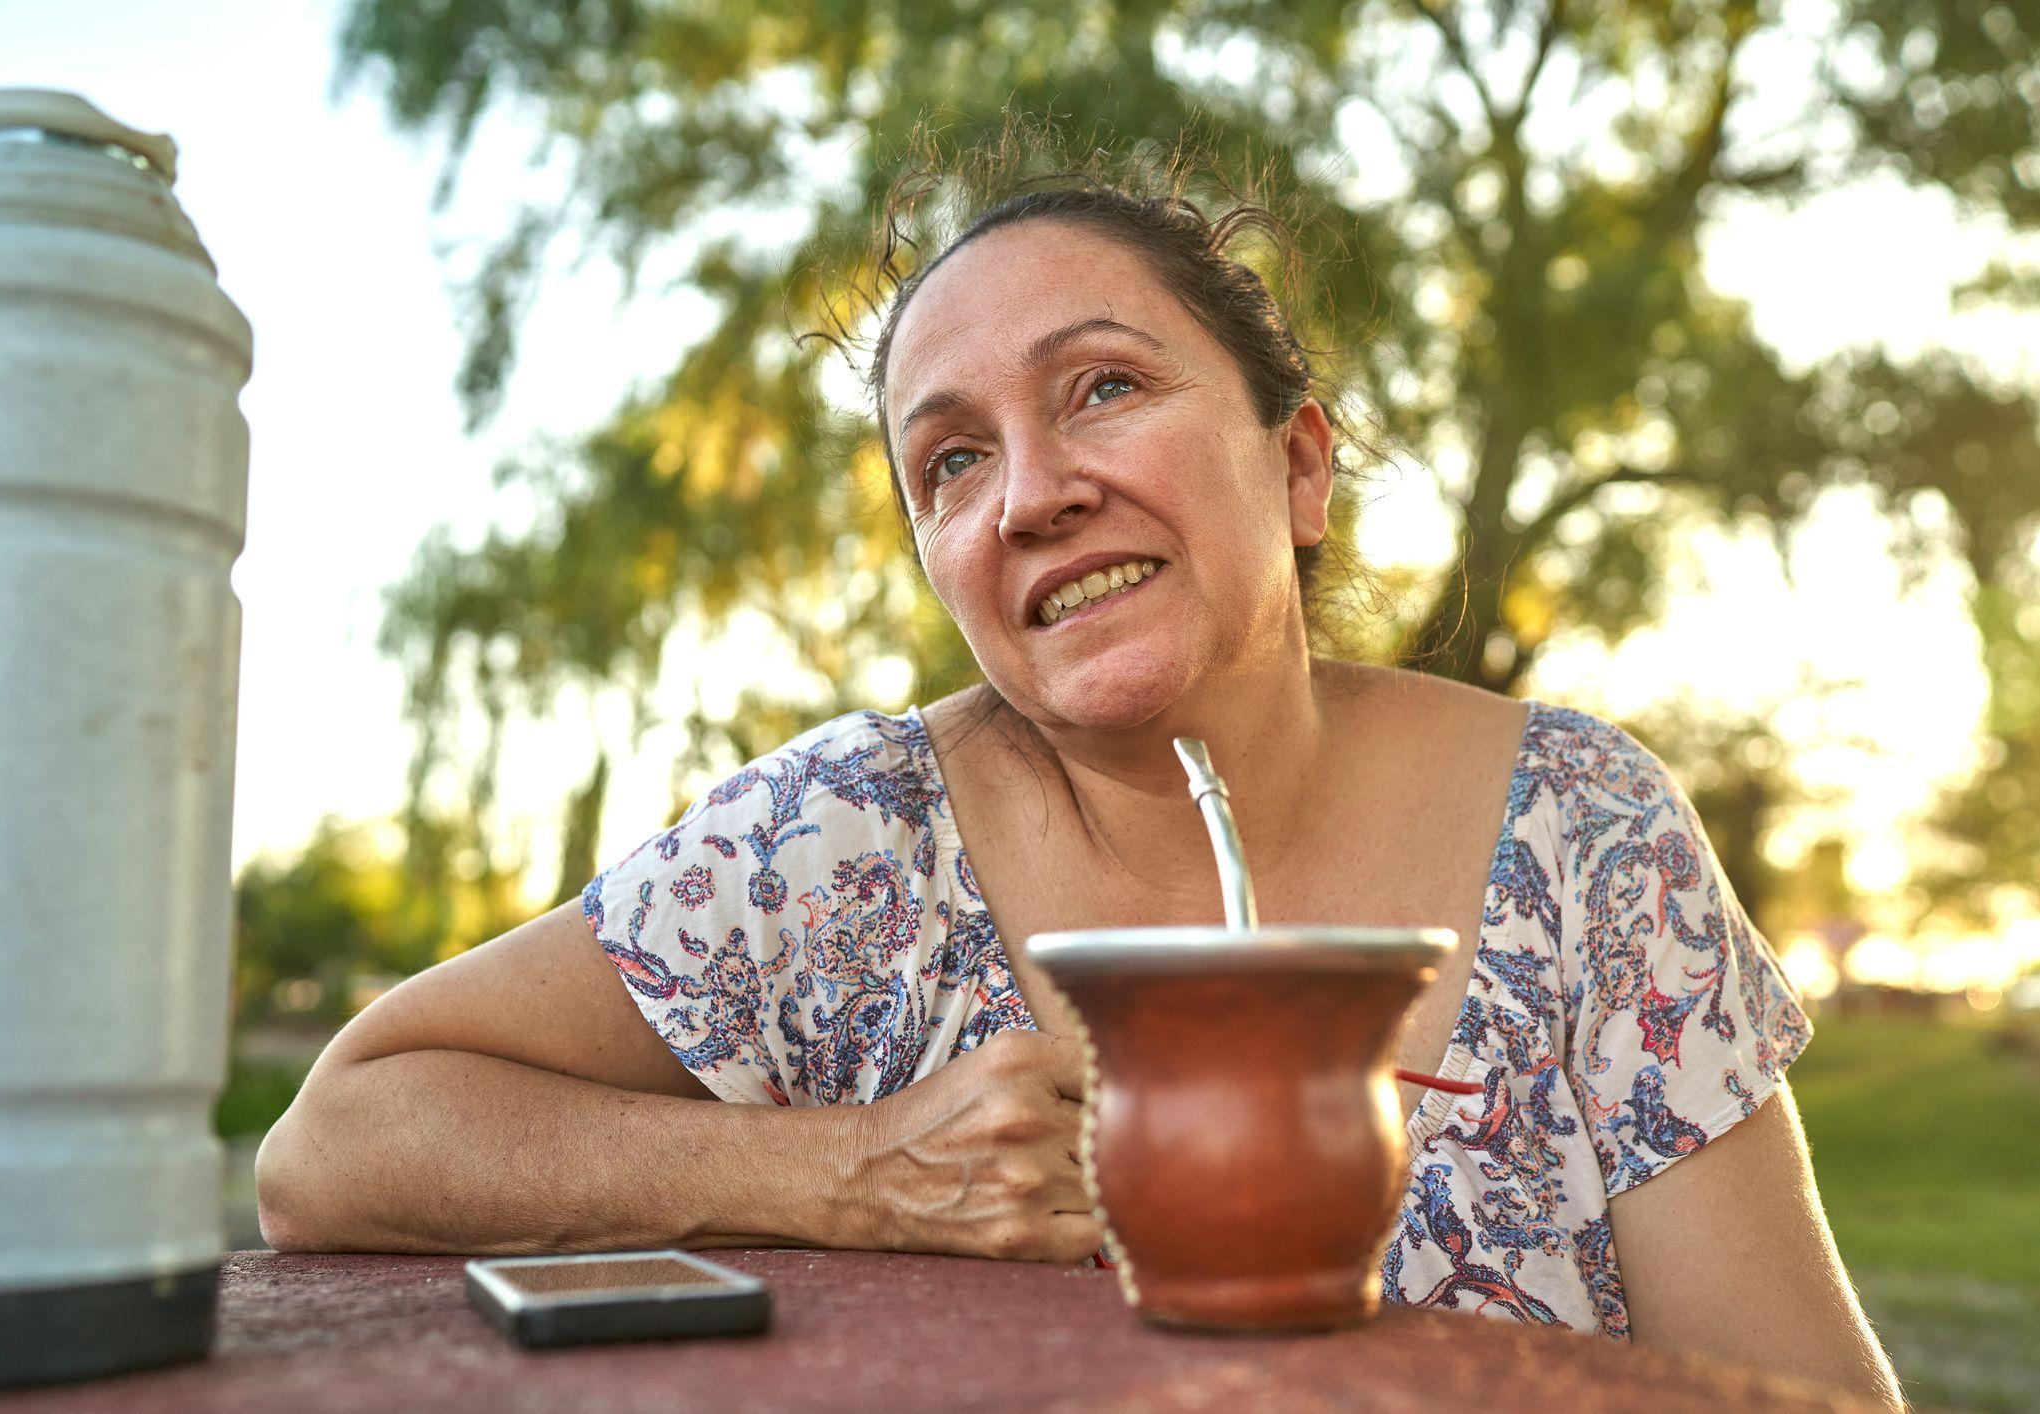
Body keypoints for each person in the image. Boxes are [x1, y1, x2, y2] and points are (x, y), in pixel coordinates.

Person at [254, 150, 1901, 1406]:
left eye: (1102, 386)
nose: (1028, 494)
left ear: (1301, 462)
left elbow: (1794, 1390)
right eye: (951, 458)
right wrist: (851, 1169)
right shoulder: (833, 848)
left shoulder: (1580, 830)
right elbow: (338, 1142)